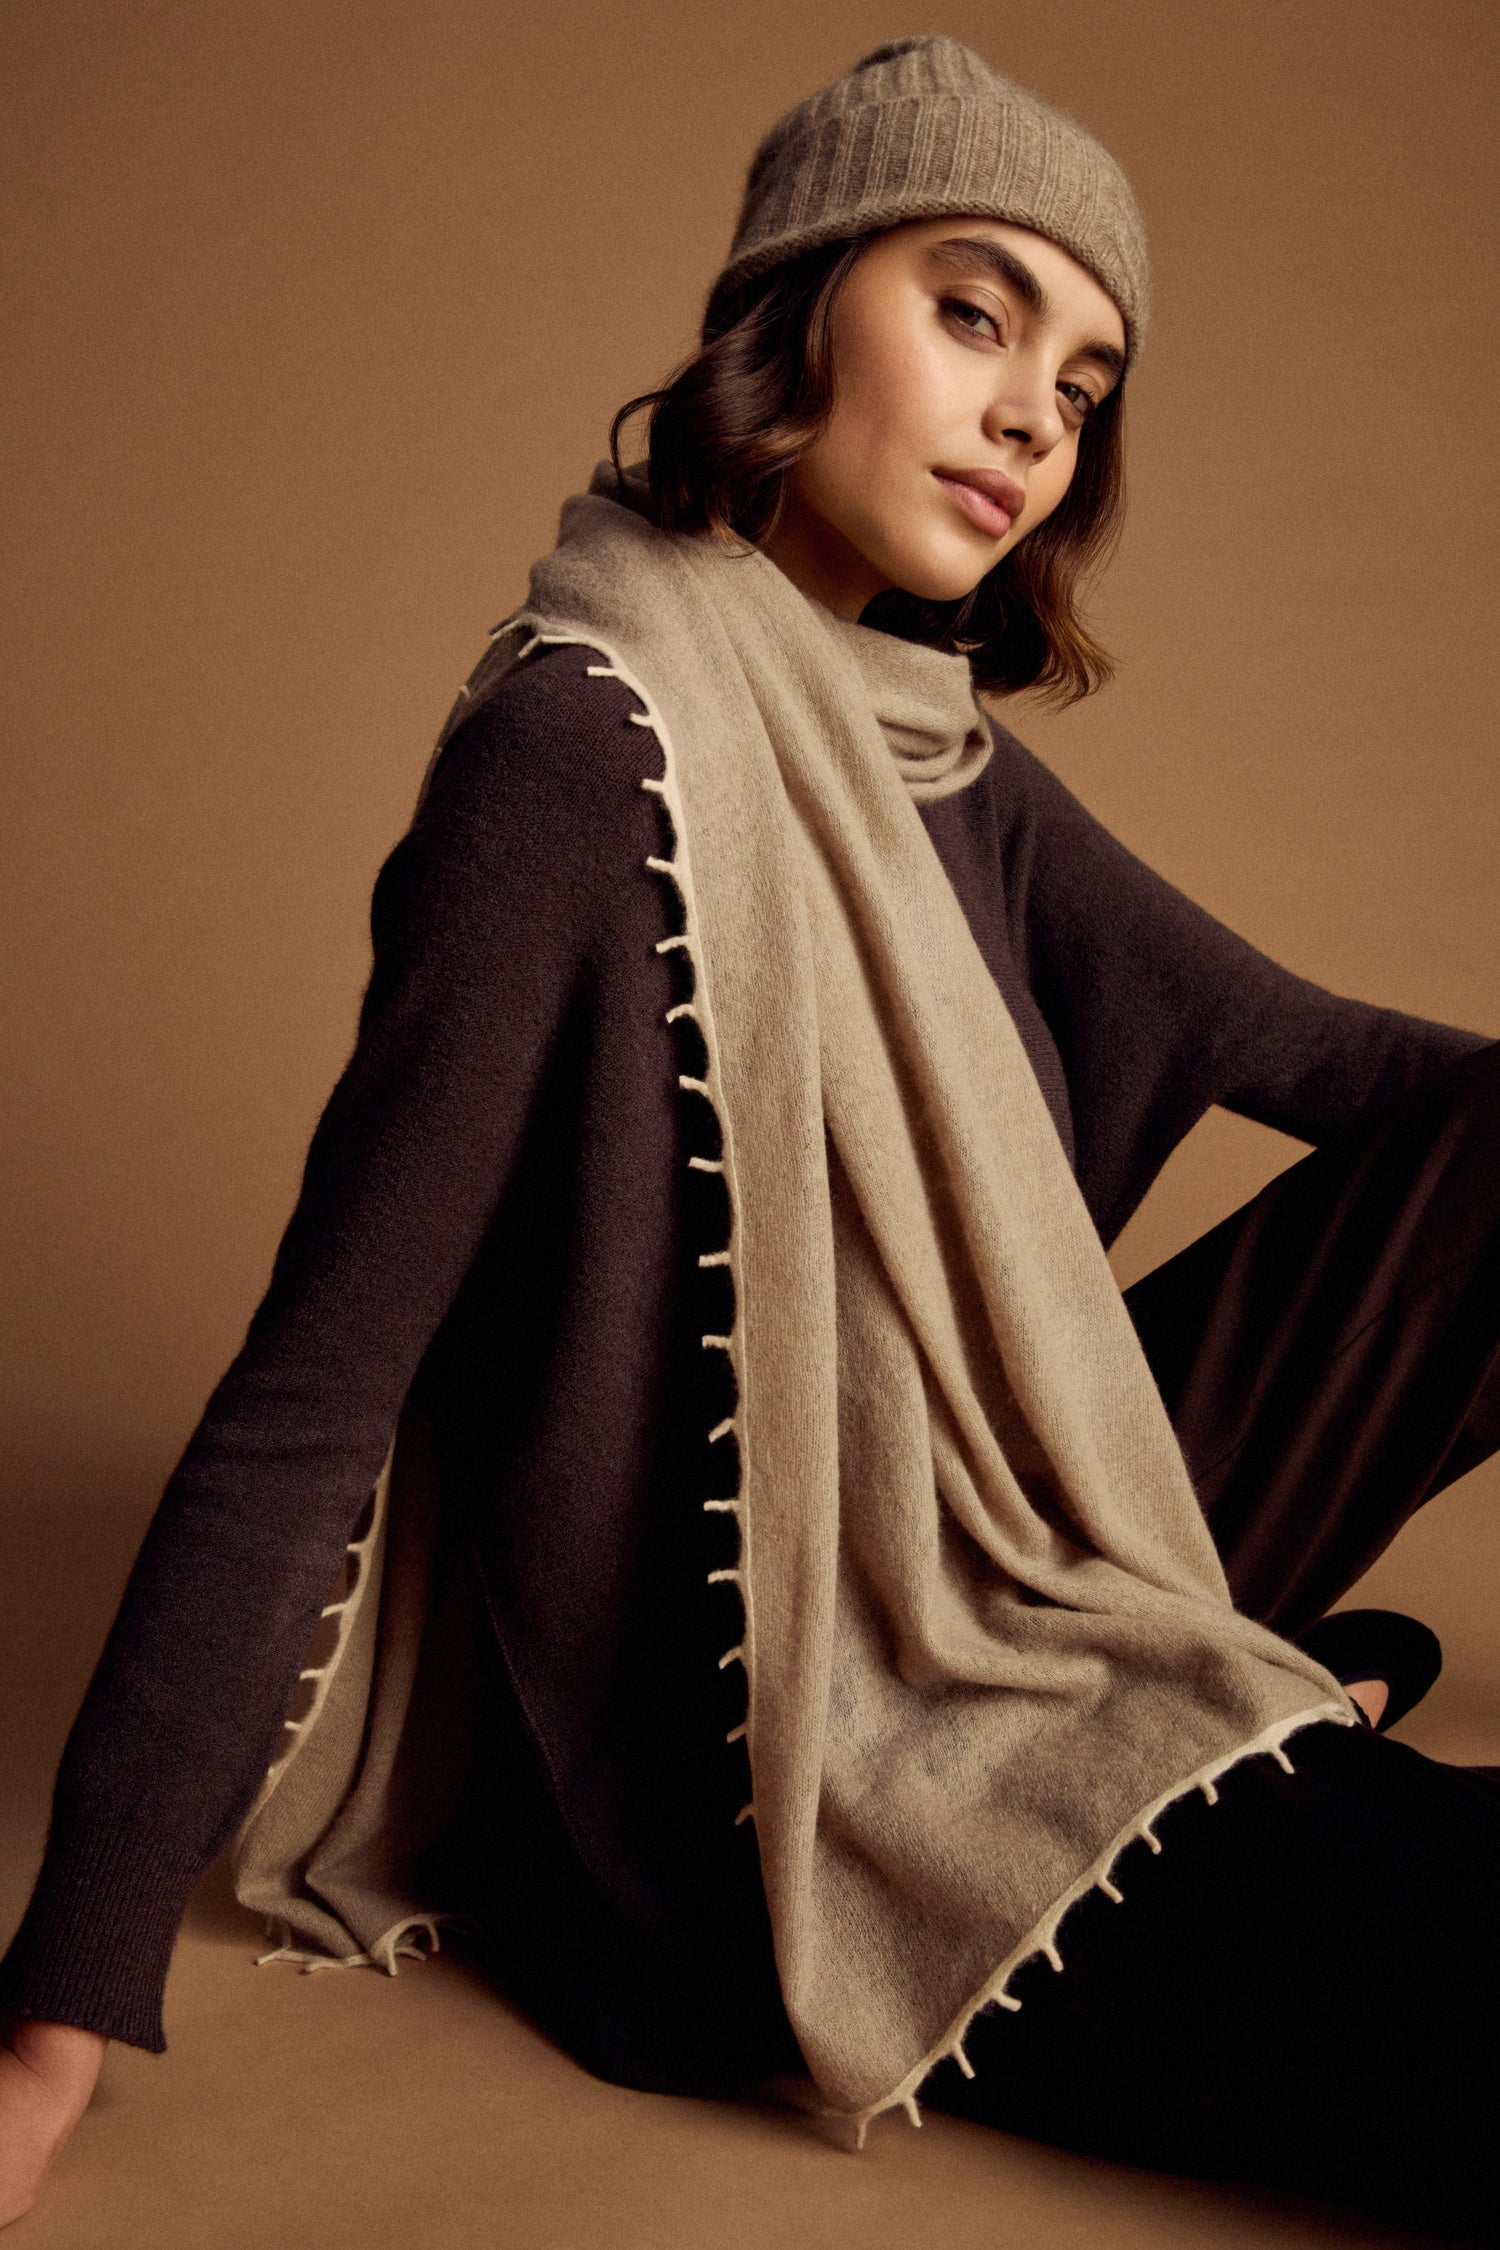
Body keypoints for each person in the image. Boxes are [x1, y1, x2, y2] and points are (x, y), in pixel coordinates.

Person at [3, 34, 1498, 2240]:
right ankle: (1257, 1712)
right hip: (736, 1790)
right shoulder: (579, 756)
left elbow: (1363, 1077)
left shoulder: (946, 761)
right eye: (976, 312)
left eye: (1083, 381)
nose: (1030, 417)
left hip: (993, 1575)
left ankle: (1259, 1681)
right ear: (797, 310)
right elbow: (319, 1380)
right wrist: (56, 2008)